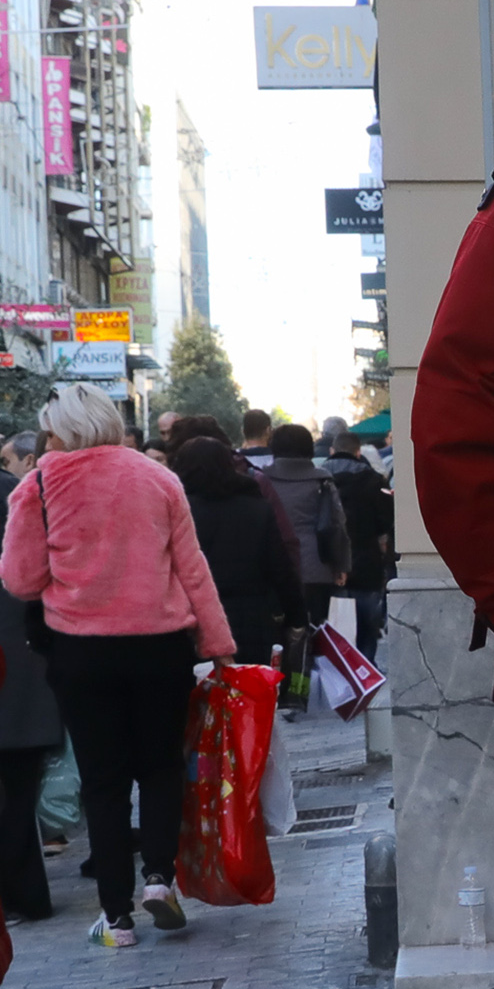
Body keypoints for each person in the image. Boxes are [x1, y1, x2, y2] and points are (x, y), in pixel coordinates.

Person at [0, 383, 235, 948]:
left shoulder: (37, 486)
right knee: (159, 767)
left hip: (82, 653)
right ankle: (159, 879)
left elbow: (19, 579)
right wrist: (218, 643)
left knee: (103, 783)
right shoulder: (158, 479)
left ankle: (116, 917)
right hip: (160, 647)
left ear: (60, 430)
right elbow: (192, 569)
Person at [173, 437, 303, 668]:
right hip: (253, 619)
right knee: (248, 694)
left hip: (193, 623)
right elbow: (280, 568)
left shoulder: (179, 511)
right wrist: (296, 617)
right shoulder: (257, 509)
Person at [0, 432, 61, 921]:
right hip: (22, 668)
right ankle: (25, 894)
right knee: (17, 790)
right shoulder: (16, 497)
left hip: (17, 666)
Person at [262, 423, 353, 632]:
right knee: (313, 631)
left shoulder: (261, 479)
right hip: (316, 565)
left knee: (276, 632)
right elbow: (337, 523)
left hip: (273, 565)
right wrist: (341, 565)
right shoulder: (322, 480)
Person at [325, 432, 393, 660]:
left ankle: (341, 681)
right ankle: (366, 676)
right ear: (358, 452)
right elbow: (386, 522)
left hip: (329, 568)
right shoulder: (374, 481)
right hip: (367, 566)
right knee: (367, 632)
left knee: (334, 634)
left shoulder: (319, 480)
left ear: (332, 451)